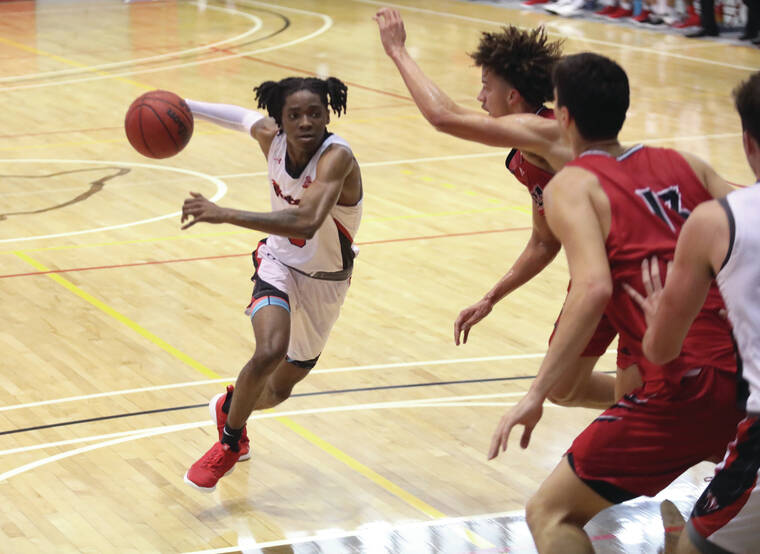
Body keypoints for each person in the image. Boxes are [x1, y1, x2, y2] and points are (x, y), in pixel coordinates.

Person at [487, 52, 742, 553]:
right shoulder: (687, 165)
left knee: (550, 512)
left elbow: (593, 288)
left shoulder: (573, 185)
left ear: (563, 117)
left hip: (678, 386)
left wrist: (534, 394)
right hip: (743, 377)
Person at [374, 7, 632, 409]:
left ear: (512, 96)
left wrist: (398, 51)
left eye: (485, 87)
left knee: (637, 389)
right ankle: (662, 407)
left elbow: (443, 116)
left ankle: (677, 414)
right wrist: (490, 297)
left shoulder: (547, 132)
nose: (479, 98)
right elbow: (544, 242)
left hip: (637, 263)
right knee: (563, 386)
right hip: (603, 267)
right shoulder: (529, 152)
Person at [180, 77, 363, 492]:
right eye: (294, 115)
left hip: (325, 282)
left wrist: (224, 214)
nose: (305, 122)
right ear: (280, 119)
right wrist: (183, 103)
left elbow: (306, 221)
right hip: (277, 263)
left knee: (279, 390)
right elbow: (240, 118)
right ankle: (229, 443)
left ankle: (231, 406)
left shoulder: (337, 158)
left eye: (314, 113)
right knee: (269, 351)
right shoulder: (272, 139)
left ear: (328, 115)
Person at [627, 71, 760, 554]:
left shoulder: (716, 221)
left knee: (692, 548)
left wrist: (656, 317)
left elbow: (663, 349)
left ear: (748, 142)